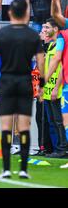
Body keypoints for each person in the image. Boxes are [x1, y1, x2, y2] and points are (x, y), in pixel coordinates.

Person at [0, 0, 44, 179]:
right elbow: (41, 60)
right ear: (26, 13)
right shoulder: (33, 35)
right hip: (25, 81)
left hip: (6, 82)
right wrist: (41, 84)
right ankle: (24, 169)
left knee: (5, 126)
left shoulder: (0, 35)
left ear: (10, 13)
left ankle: (6, 169)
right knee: (24, 126)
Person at [41, 18, 68, 158]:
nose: (44, 30)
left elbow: (62, 68)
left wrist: (57, 87)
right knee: (52, 121)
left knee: (59, 121)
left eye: (47, 27)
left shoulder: (60, 44)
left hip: (56, 89)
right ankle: (56, 148)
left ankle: (62, 148)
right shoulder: (51, 46)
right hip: (48, 89)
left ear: (56, 29)